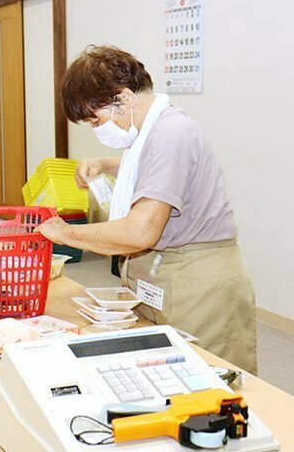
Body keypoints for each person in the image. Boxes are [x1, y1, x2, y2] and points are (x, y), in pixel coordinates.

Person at [36, 45, 257, 374]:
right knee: (165, 377)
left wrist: (66, 232)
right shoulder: (151, 132)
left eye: (95, 119)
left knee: (209, 383)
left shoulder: (170, 132)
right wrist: (107, 164)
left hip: (198, 283)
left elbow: (140, 231)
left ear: (123, 98)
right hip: (164, 274)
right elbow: (150, 165)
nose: (97, 130)